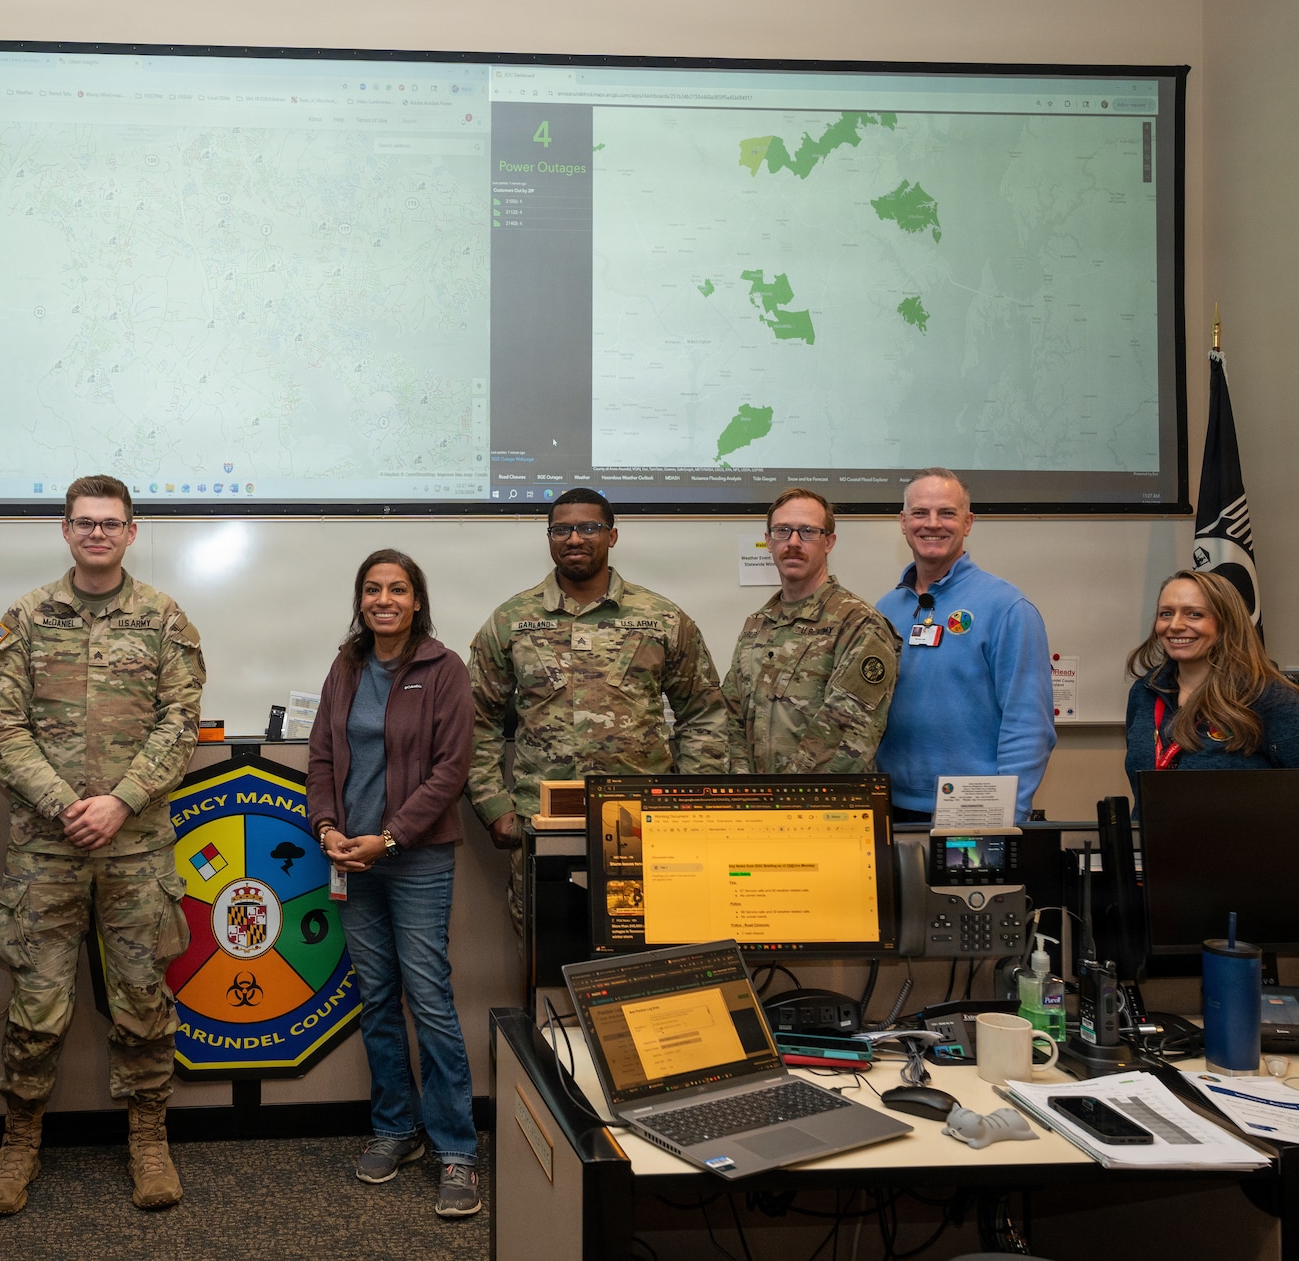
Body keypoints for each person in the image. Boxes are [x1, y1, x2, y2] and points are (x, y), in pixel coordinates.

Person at [0, 474, 205, 1216]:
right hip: (46, 850)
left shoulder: (164, 618)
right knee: (35, 1005)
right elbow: (3, 726)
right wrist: (66, 804)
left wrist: (121, 801)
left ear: (131, 532)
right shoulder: (25, 619)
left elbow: (181, 722)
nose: (98, 533)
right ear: (66, 530)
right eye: (85, 522)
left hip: (136, 848)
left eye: (111, 522)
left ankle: (149, 1137)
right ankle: (19, 1141)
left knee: (143, 1000)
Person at [307, 550, 479, 1218]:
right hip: (351, 858)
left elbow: (451, 770)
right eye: (373, 589)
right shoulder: (346, 666)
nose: (385, 599)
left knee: (429, 999)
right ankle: (395, 1129)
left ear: (417, 600)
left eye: (398, 589)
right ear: (361, 600)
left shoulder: (443, 668)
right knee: (376, 998)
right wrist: (327, 828)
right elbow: (323, 755)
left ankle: (456, 1148)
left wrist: (392, 837)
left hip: (416, 858)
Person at [468, 487, 727, 922]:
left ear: (612, 535)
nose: (574, 539)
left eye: (589, 528)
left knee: (643, 946)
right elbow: (476, 719)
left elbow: (705, 715)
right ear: (550, 539)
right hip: (543, 825)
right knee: (547, 951)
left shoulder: (661, 618)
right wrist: (495, 807)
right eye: (562, 530)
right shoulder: (511, 620)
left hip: (641, 825)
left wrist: (689, 804)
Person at [875, 469, 1056, 820]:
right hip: (891, 802)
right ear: (903, 523)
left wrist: (1009, 812)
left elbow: (1029, 724)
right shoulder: (885, 610)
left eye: (947, 513)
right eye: (920, 513)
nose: (932, 524)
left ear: (968, 522)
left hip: (976, 806)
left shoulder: (1007, 608)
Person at [1123, 569, 1299, 810]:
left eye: (1194, 614)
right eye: (1166, 613)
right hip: (1153, 834)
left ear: (1226, 623)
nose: (1175, 625)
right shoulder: (1145, 691)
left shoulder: (1273, 698)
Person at [722, 488, 898, 773]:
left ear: (828, 542)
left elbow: (848, 733)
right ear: (768, 541)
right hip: (757, 798)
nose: (793, 542)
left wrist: (788, 793)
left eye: (808, 532)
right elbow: (731, 718)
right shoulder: (757, 624)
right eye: (782, 531)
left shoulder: (858, 623)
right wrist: (746, 787)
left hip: (825, 797)